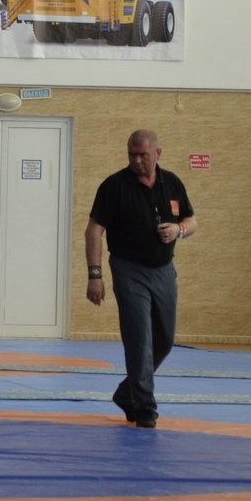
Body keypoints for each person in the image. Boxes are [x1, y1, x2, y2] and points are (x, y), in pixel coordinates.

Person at [85, 130, 196, 429]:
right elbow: (94, 230)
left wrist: (178, 231)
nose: (136, 160)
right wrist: (94, 275)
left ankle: (127, 392)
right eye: (131, 154)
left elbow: (191, 220)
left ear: (158, 153)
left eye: (142, 155)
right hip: (128, 269)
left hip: (163, 270)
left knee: (165, 339)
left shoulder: (172, 182)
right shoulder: (114, 186)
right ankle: (145, 407)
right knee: (139, 339)